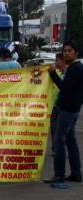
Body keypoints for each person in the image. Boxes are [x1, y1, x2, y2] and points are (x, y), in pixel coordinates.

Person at [45, 40, 83, 188]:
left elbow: (64, 88)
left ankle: (59, 174)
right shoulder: (74, 67)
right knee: (70, 141)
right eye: (65, 51)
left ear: (76, 53)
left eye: (69, 51)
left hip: (67, 110)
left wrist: (53, 73)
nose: (66, 53)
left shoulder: (76, 68)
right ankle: (76, 173)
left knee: (60, 141)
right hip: (72, 109)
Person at [50, 53, 68, 156]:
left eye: (57, 60)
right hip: (53, 105)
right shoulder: (56, 72)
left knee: (61, 129)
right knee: (53, 128)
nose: (55, 63)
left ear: (62, 61)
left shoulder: (67, 74)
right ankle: (55, 148)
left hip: (61, 106)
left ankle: (60, 148)